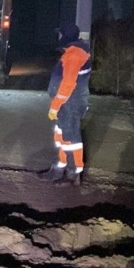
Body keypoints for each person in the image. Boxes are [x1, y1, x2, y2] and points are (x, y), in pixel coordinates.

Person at [39, 22, 92, 186]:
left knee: (70, 139)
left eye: (61, 34)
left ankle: (72, 174)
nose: (59, 37)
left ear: (66, 36)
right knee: (61, 137)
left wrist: (55, 105)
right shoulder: (73, 51)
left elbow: (68, 83)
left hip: (70, 104)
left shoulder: (75, 54)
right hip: (67, 104)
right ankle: (58, 169)